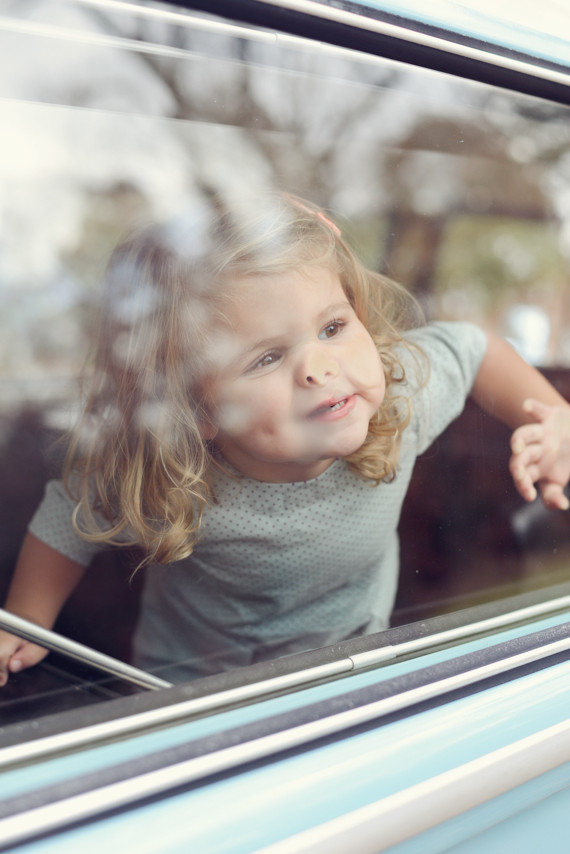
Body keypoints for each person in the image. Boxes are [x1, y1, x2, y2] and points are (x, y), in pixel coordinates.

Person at [1, 193, 570, 685]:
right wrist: (27, 621)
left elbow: (474, 349)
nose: (320, 368)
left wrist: (555, 418)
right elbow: (69, 513)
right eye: (268, 357)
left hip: (351, 673)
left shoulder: (401, 400)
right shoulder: (172, 472)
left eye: (333, 327)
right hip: (184, 690)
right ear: (195, 410)